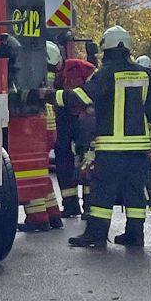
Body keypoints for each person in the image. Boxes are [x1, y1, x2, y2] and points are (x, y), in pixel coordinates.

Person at [66, 27, 151, 249]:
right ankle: (135, 235)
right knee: (135, 192)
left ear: (106, 48)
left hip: (111, 148)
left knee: (102, 192)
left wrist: (53, 96)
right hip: (138, 149)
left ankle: (96, 236)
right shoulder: (145, 75)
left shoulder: (106, 73)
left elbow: (83, 96)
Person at [20, 42, 66, 232]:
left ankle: (38, 217)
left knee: (28, 172)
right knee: (41, 171)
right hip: (48, 124)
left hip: (36, 122)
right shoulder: (49, 76)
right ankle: (53, 213)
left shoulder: (34, 73)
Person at [52, 49, 96, 219]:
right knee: (63, 162)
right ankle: (70, 205)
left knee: (86, 160)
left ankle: (89, 206)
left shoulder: (76, 68)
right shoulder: (58, 72)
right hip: (65, 118)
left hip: (82, 117)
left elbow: (81, 94)